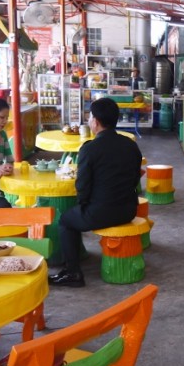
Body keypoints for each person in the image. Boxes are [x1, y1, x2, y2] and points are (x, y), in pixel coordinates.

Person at [49, 98, 142, 287]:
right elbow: (135, 178)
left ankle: (73, 272)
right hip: (129, 209)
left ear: (96, 121)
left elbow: (82, 186)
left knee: (66, 220)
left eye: (90, 117)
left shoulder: (89, 149)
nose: (89, 120)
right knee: (77, 215)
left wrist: (83, 205)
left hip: (101, 213)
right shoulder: (130, 145)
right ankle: (74, 265)